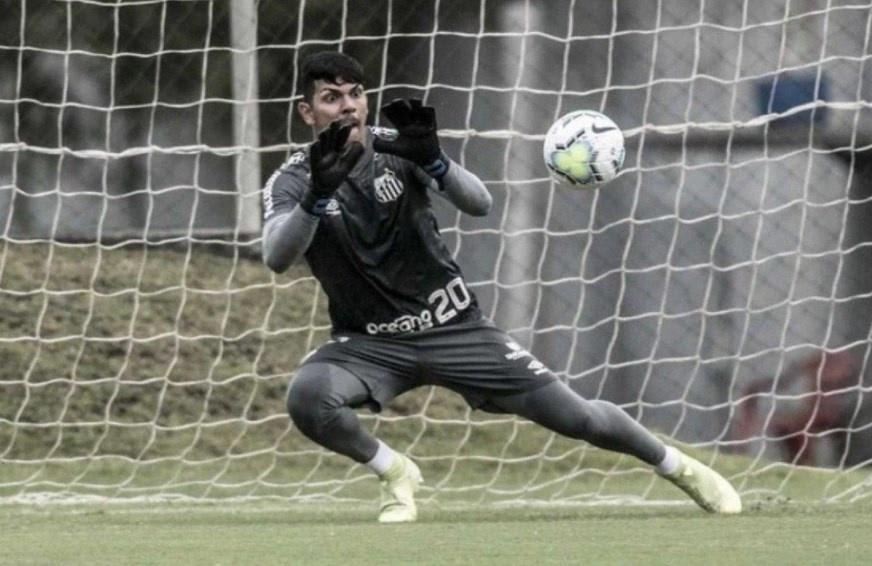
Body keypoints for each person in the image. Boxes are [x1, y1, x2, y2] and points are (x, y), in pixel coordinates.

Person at [261, 51, 742, 523]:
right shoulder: (294, 181)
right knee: (308, 398)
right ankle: (394, 472)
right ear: (308, 112)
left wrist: (435, 161)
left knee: (580, 419)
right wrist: (316, 197)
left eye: (355, 94)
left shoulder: (397, 148)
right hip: (369, 343)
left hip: (454, 328)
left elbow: (480, 203)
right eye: (330, 97)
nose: (347, 106)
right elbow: (277, 257)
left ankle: (680, 468)